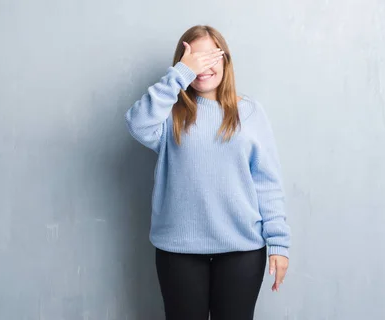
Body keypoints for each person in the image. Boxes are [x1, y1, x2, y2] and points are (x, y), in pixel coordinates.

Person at [124, 25, 291, 320]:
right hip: (178, 249)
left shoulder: (250, 113)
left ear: (225, 60)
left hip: (242, 249)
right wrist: (180, 75)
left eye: (211, 57)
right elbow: (137, 124)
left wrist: (279, 242)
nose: (203, 66)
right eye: (194, 59)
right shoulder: (168, 113)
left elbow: (267, 182)